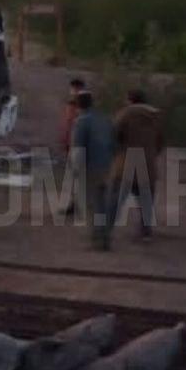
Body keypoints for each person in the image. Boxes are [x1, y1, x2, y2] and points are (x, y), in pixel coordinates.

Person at [107, 89, 165, 241]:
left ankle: (105, 231)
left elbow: (113, 135)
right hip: (148, 165)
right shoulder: (156, 117)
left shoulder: (125, 114)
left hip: (126, 163)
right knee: (146, 201)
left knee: (114, 200)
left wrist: (115, 153)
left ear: (130, 100)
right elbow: (160, 142)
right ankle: (145, 233)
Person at [70, 91, 115, 250]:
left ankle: (98, 240)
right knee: (102, 203)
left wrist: (76, 171)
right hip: (106, 167)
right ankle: (105, 237)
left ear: (78, 105)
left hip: (89, 168)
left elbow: (78, 149)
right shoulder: (104, 120)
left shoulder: (81, 121)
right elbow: (114, 144)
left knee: (92, 205)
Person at [59, 78, 87, 216]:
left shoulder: (77, 105)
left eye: (73, 89)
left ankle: (77, 204)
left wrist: (65, 139)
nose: (72, 92)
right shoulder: (82, 104)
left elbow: (70, 123)